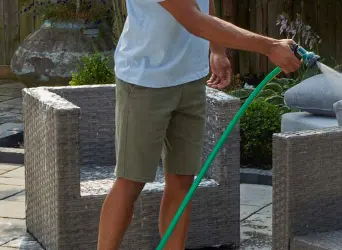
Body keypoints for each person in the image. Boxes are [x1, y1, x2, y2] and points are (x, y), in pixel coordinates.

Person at [96, 0, 301, 249]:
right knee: (131, 180)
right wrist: (269, 46)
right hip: (145, 82)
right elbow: (194, 20)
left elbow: (203, 4)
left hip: (190, 79)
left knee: (182, 180)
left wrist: (217, 50)